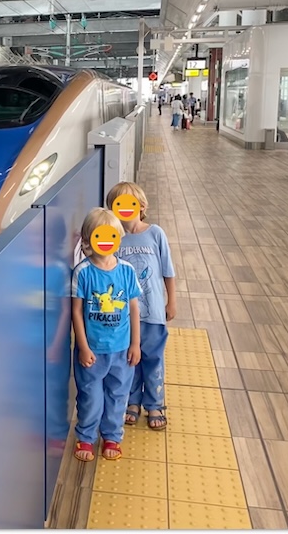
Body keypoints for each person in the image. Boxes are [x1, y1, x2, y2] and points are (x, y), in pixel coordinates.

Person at [71, 208, 141, 462]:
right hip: (92, 350)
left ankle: (112, 435)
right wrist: (83, 347)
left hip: (122, 350)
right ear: (89, 239)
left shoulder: (127, 271)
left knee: (118, 395)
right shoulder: (83, 272)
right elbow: (76, 312)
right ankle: (86, 436)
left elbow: (133, 308)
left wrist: (135, 343)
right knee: (90, 395)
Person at [105, 182, 176, 431]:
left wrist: (171, 301)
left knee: (153, 359)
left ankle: (155, 404)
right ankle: (132, 401)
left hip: (153, 312)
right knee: (130, 358)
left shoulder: (155, 233)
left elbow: (168, 270)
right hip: (124, 315)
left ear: (141, 206)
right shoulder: (114, 239)